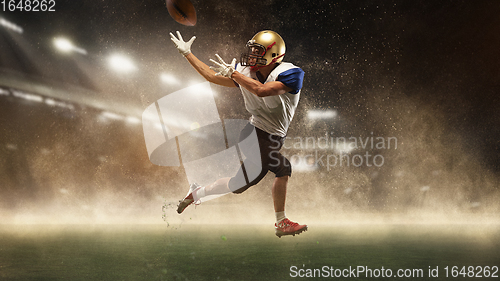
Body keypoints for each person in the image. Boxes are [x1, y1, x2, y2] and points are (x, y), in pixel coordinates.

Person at [169, 30, 306, 237]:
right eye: (251, 50)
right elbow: (210, 76)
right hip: (253, 134)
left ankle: (197, 192)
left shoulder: (291, 74)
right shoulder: (244, 71)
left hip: (273, 139)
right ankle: (281, 222)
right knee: (283, 167)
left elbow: (261, 90)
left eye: (257, 51)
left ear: (274, 55)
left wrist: (234, 74)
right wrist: (187, 53)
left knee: (238, 185)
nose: (251, 55)